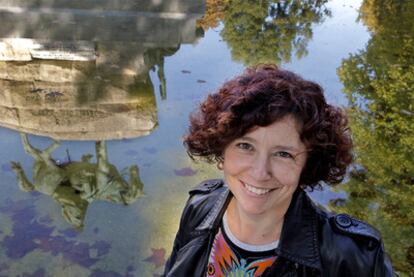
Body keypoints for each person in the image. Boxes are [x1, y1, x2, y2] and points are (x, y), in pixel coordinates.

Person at [163, 65, 395, 276]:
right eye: (245, 146)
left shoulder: (352, 255)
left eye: (283, 154)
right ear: (222, 149)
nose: (260, 172)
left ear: (308, 164)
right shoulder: (198, 208)